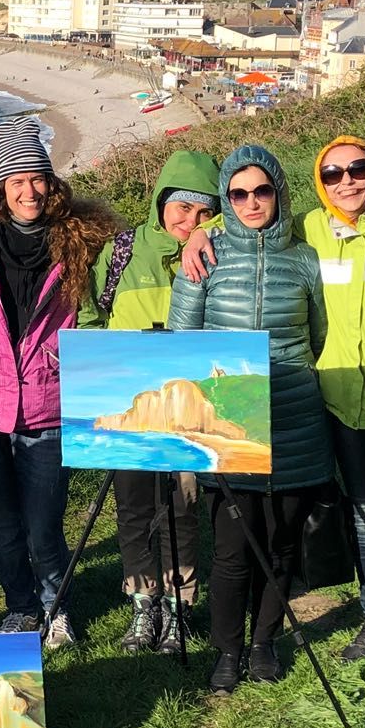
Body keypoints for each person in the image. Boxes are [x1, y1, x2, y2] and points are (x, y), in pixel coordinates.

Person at [181, 137, 365, 686]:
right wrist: (201, 231)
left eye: (357, 169)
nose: (347, 181)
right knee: (358, 517)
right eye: (334, 174)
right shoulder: (304, 234)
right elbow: (191, 327)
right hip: (318, 407)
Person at [0, 115, 118, 648]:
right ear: (2, 187)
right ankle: (20, 607)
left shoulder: (85, 240)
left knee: (44, 524)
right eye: (17, 180)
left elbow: (139, 259)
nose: (29, 191)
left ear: (53, 182)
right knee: (0, 525)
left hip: (49, 401)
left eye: (38, 178)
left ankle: (54, 605)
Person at [168, 144, 332, 694]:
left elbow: (321, 337)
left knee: (283, 543)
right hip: (230, 423)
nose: (251, 201)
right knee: (234, 549)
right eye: (238, 193)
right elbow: (182, 345)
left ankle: (263, 642)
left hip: (294, 415)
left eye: (262, 190)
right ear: (225, 199)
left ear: (279, 193)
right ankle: (227, 651)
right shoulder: (203, 258)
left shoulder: (306, 260)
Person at [77, 150, 221, 656]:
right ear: (161, 202)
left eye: (205, 212)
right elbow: (91, 318)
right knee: (134, 506)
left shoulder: (215, 251)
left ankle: (179, 609)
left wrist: (212, 233)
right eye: (182, 209)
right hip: (128, 405)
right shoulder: (120, 252)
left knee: (181, 505)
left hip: (186, 408)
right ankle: (144, 604)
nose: (190, 221)